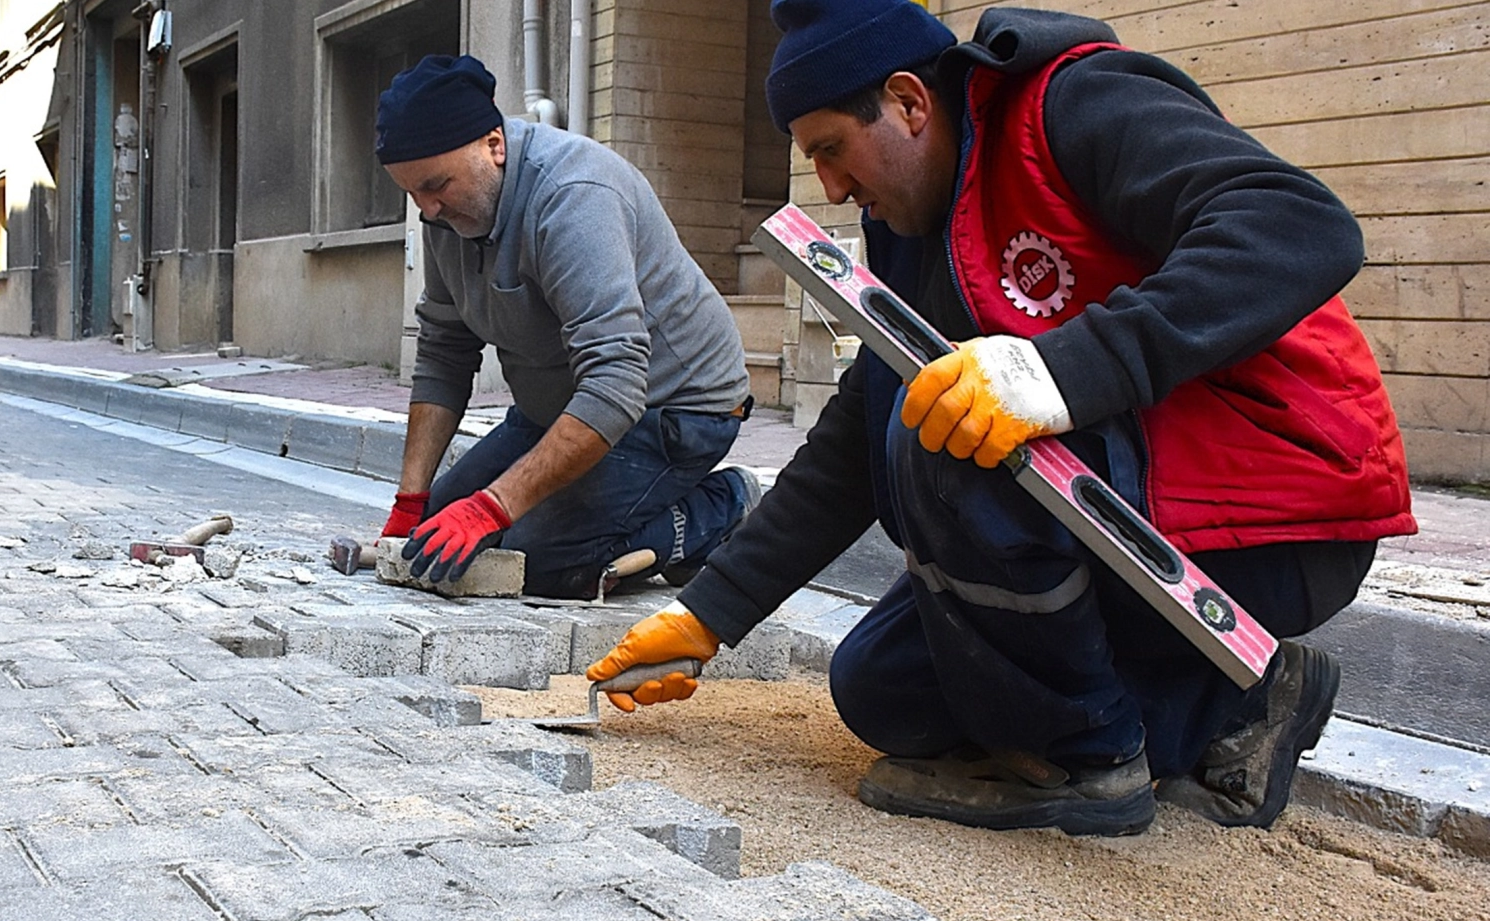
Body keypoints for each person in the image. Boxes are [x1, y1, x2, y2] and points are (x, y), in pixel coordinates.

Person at [588, 0, 1415, 837]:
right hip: (1119, 505)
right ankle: (1245, 701)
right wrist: (710, 613)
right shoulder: (909, 222)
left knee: (950, 440)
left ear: (911, 103)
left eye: (831, 150)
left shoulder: (1076, 102)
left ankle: (1090, 763)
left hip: (1282, 503)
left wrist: (1061, 370)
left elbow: (1301, 226)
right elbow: (857, 427)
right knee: (883, 691)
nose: (833, 188)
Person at [372, 55, 759, 599]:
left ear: (494, 145)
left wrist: (494, 506)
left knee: (534, 560)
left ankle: (719, 506)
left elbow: (615, 387)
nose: (429, 209)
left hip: (672, 409)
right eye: (412, 193)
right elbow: (444, 351)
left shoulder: (573, 197)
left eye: (437, 186)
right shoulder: (443, 215)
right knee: (435, 536)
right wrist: (410, 502)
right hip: (557, 409)